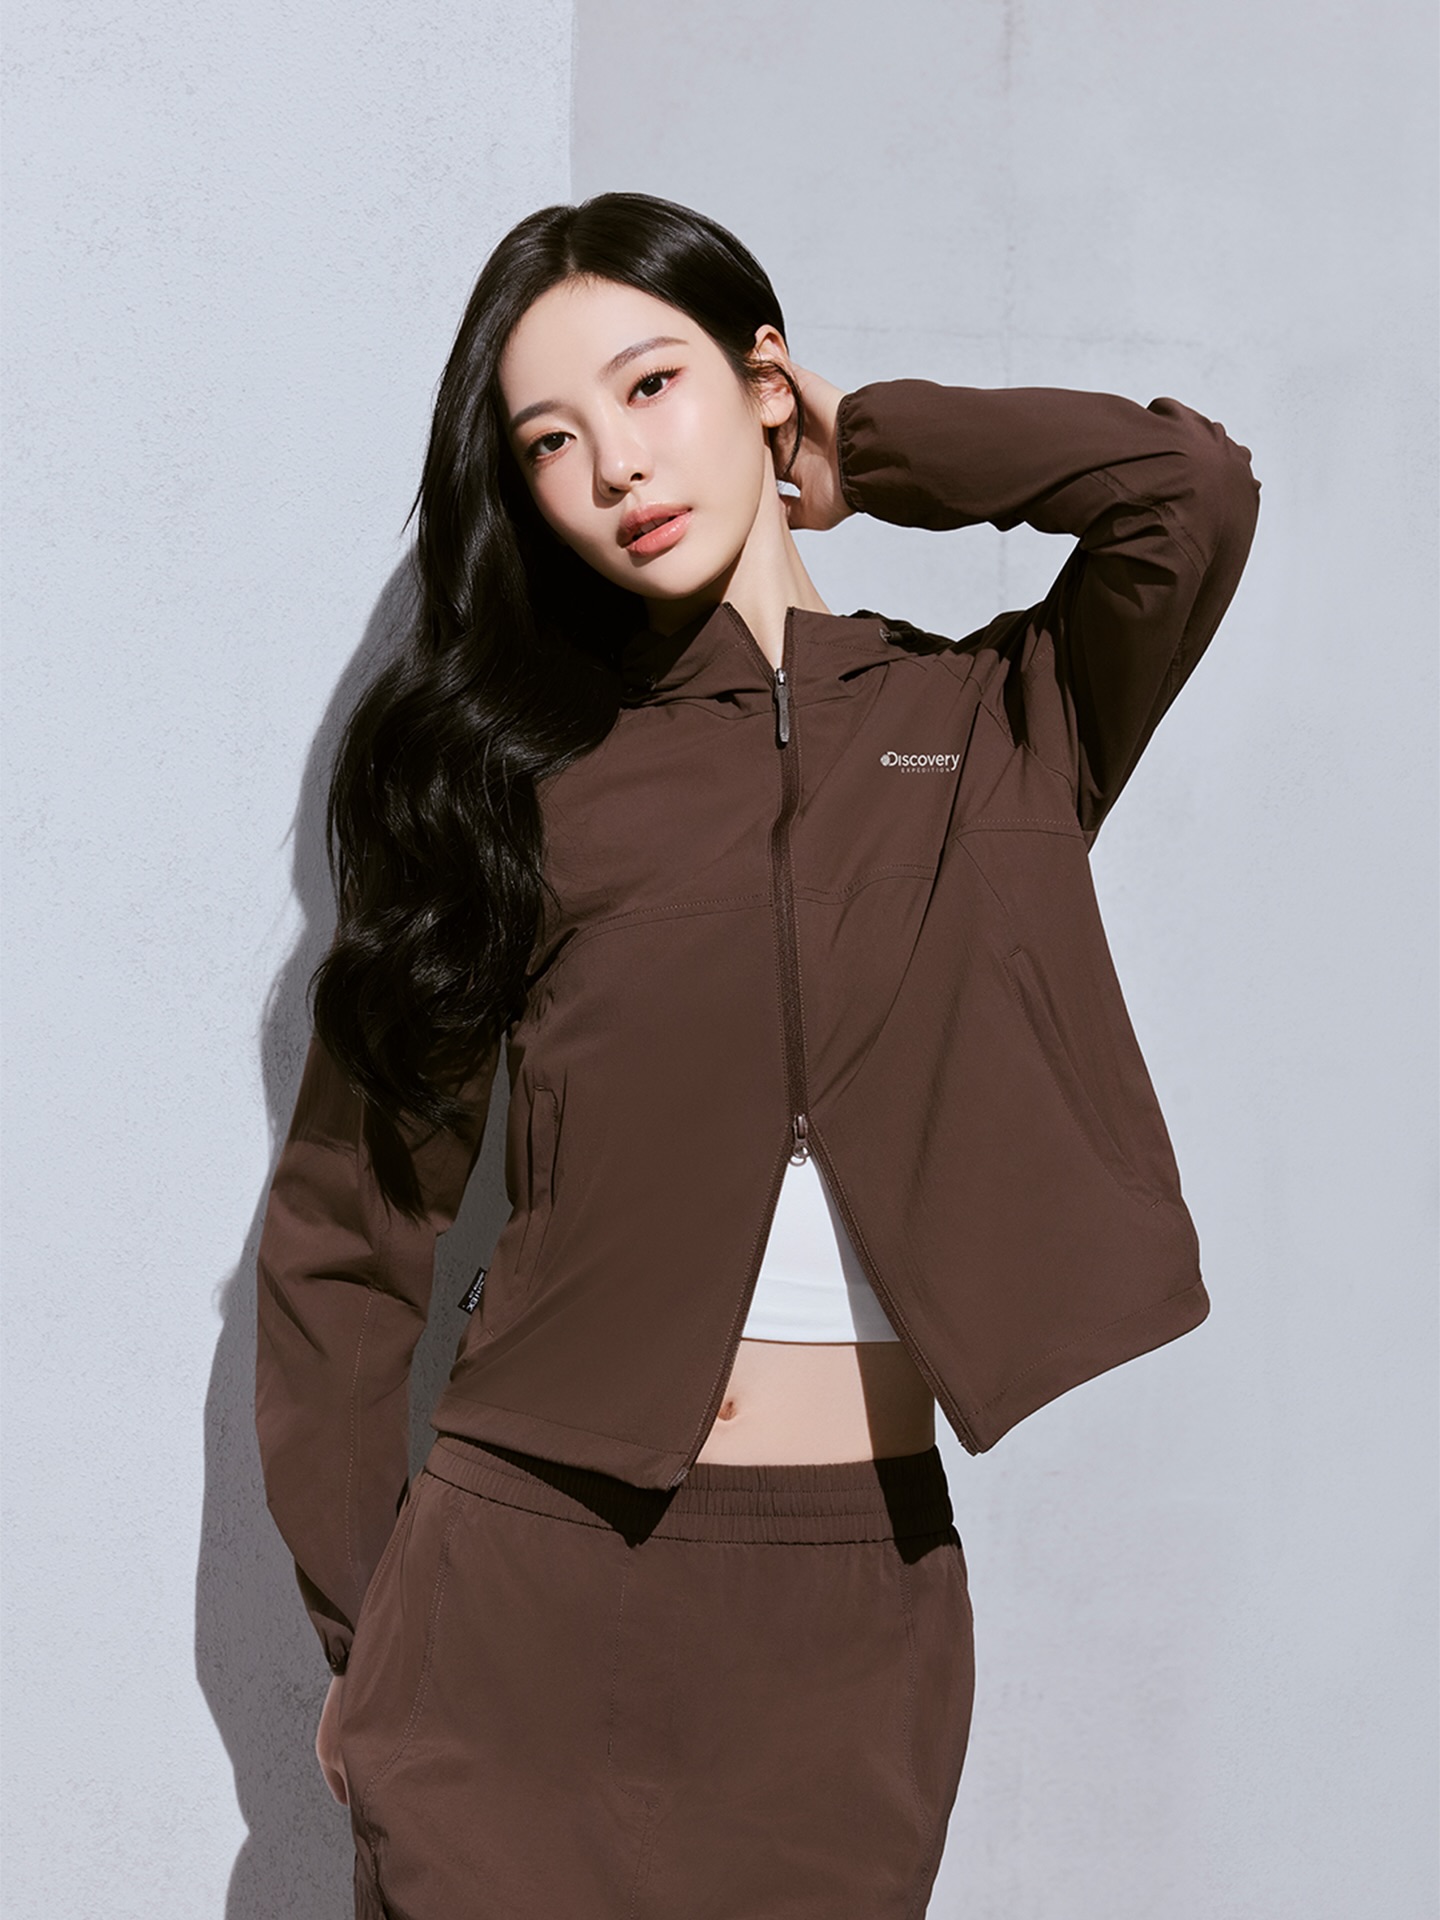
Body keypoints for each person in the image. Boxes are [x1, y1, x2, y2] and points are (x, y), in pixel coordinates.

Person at [254, 190, 1260, 1918]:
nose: (615, 468)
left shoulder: (986, 728)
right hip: (523, 1591)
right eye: (548, 440)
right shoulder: (513, 782)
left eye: (652, 386)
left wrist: (869, 448)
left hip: (845, 1619)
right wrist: (368, 1635)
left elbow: (1188, 494)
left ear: (761, 381)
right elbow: (346, 1232)